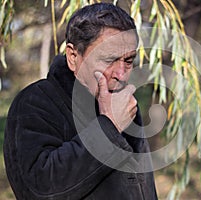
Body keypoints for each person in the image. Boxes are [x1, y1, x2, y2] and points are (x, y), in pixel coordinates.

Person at [4, 3, 157, 200]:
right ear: (73, 57)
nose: (121, 75)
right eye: (110, 59)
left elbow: (144, 189)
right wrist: (109, 127)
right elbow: (39, 189)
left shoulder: (125, 106)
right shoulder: (35, 103)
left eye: (128, 61)